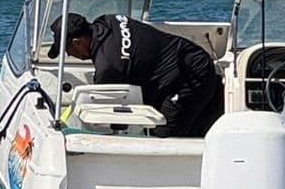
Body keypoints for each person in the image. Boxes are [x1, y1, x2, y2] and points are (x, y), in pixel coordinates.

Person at [50, 12, 223, 138]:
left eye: (67, 50)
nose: (69, 55)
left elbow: (110, 115)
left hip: (191, 77)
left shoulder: (108, 67)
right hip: (190, 55)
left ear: (77, 42)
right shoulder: (109, 20)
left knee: (162, 134)